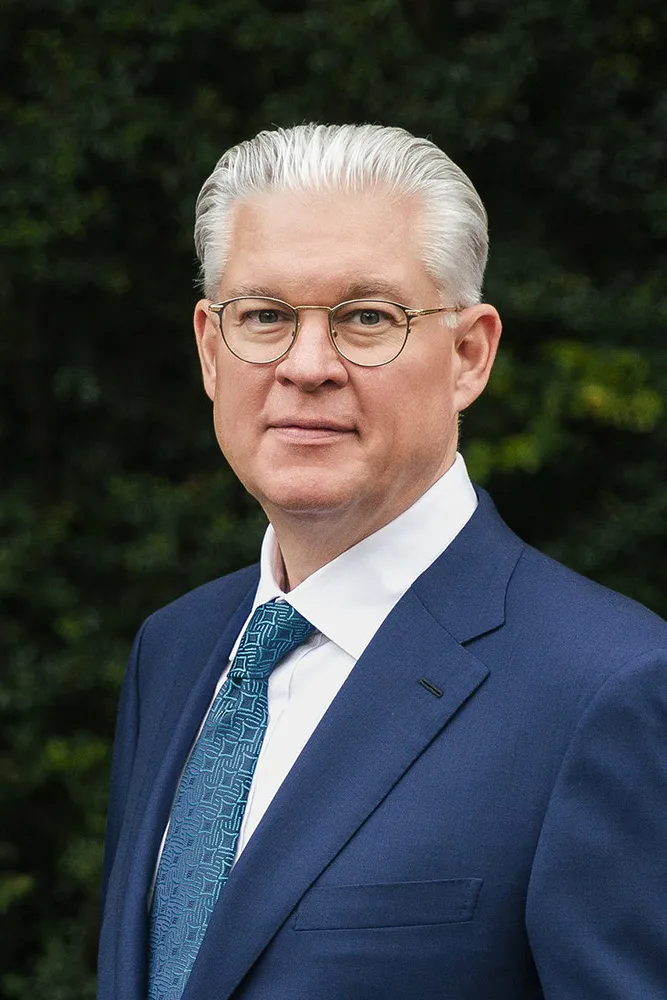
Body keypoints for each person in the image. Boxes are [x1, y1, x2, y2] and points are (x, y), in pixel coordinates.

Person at [97, 124, 667, 1000]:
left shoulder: (608, 686)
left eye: (368, 318)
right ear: (212, 350)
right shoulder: (174, 652)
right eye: (264, 317)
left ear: (468, 354)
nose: (307, 366)